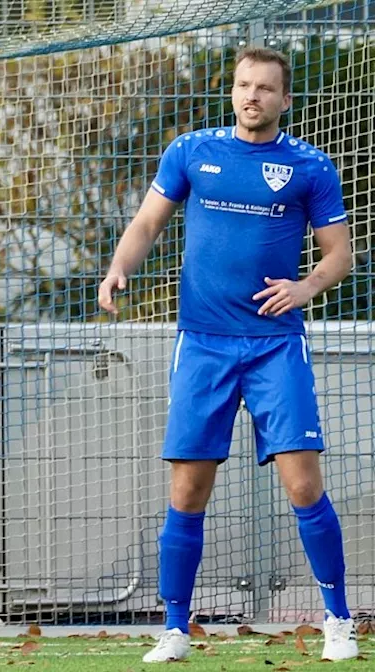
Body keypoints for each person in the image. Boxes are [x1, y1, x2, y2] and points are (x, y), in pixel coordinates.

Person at [98, 46, 358, 663]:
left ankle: (338, 620)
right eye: (245, 86)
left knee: (303, 485)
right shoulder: (193, 151)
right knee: (187, 491)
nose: (252, 97)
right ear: (233, 91)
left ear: (284, 100)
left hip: (275, 346)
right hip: (203, 344)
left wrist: (305, 287)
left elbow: (339, 254)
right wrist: (118, 269)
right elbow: (145, 225)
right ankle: (176, 629)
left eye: (266, 89)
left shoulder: (310, 167)